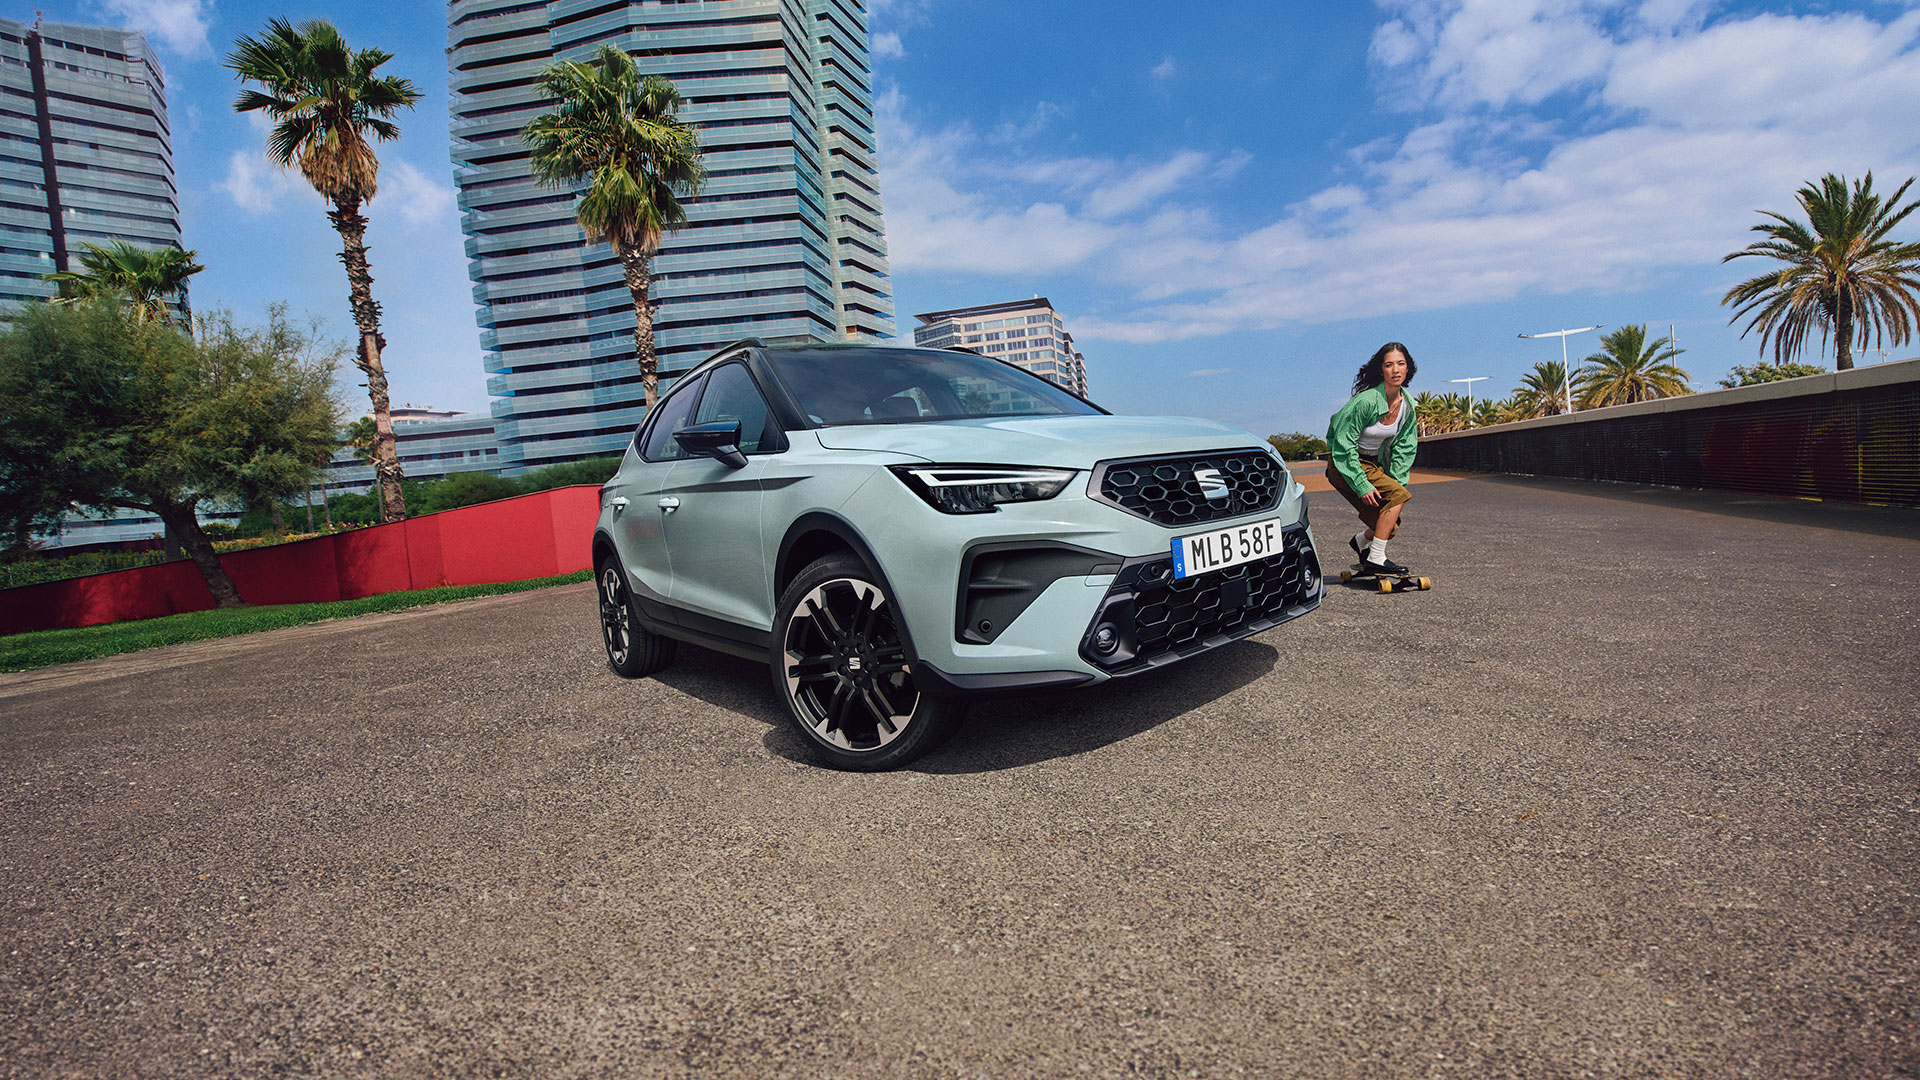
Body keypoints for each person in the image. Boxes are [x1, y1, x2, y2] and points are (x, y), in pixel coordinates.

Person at [1325, 342, 1419, 576]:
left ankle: (1360, 542)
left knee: (1389, 525)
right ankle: (1376, 558)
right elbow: (1343, 444)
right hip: (1345, 464)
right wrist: (1361, 484)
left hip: (1373, 465)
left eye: (1401, 364)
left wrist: (1396, 483)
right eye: (1389, 365)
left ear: (1408, 368)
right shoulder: (1366, 401)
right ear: (1381, 370)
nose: (1395, 370)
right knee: (1396, 498)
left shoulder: (1407, 407)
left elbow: (1404, 449)